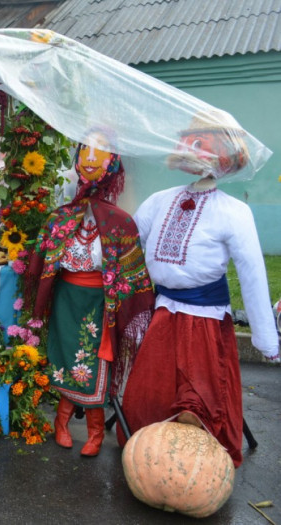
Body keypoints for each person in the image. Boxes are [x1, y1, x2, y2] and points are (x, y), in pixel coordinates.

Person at [119, 110, 279, 467]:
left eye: (201, 144)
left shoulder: (233, 211)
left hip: (204, 322)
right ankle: (150, 454)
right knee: (147, 395)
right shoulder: (160, 200)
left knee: (201, 401)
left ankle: (194, 465)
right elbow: (126, 240)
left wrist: (266, 339)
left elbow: (252, 274)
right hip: (163, 315)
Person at [25, 129, 154, 457]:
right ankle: (61, 422)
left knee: (94, 365)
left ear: (112, 162)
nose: (92, 157)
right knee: (67, 360)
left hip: (101, 305)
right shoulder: (60, 217)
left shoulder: (121, 222)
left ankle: (95, 432)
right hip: (66, 301)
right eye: (86, 149)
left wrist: (124, 307)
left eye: (101, 151)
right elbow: (40, 265)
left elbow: (134, 273)